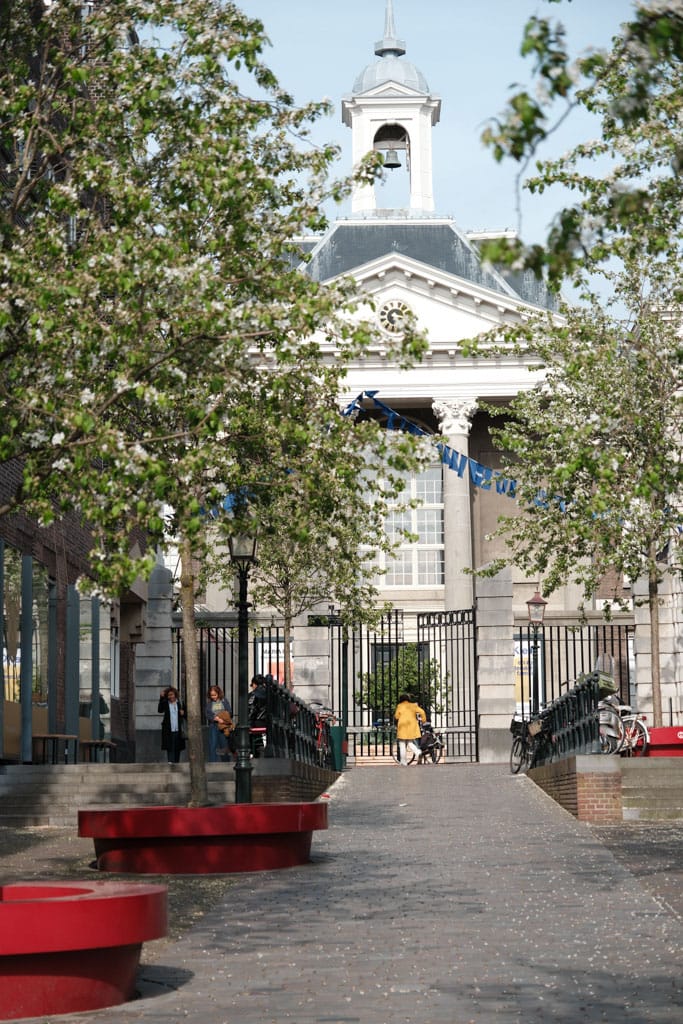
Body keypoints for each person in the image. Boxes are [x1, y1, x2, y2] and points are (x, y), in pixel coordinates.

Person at [394, 692, 426, 766]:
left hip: (403, 727)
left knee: (402, 744)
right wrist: (423, 720)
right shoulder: (413, 705)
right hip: (412, 727)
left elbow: (397, 716)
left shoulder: (400, 706)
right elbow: (422, 712)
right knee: (410, 742)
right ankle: (418, 752)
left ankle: (403, 762)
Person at [205, 685, 233, 763]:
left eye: (215, 695)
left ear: (218, 693)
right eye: (211, 695)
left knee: (224, 744)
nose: (213, 697)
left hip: (224, 726)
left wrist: (222, 718)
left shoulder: (224, 701)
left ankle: (226, 762)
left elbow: (229, 712)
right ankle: (212, 762)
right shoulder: (210, 703)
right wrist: (216, 718)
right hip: (213, 725)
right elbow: (207, 714)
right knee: (213, 745)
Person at [158, 686, 186, 764]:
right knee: (169, 746)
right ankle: (170, 761)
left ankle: (177, 761)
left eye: (172, 695)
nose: (170, 697)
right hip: (168, 728)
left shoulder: (180, 702)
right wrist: (161, 698)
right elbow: (160, 710)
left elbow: (186, 714)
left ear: (175, 695)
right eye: (169, 695)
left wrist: (183, 713)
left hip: (178, 728)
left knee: (178, 746)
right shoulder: (165, 703)